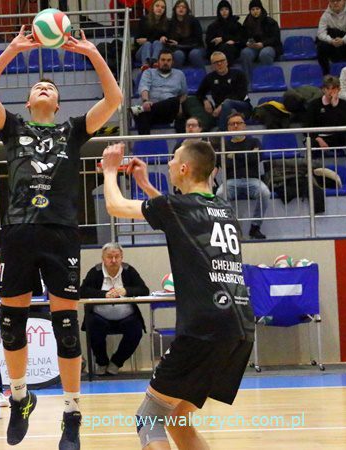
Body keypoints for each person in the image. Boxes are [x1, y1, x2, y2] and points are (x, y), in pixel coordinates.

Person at [0, 25, 122, 449]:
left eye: (50, 88)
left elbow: (114, 99)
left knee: (66, 327)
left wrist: (92, 53)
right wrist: (12, 49)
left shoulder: (73, 130)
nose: (43, 88)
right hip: (20, 231)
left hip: (60, 232)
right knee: (10, 325)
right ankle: (20, 397)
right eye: (37, 87)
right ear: (28, 102)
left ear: (57, 103)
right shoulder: (12, 127)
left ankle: (72, 413)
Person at [100, 140, 254, 450]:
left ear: (183, 168)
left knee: (149, 417)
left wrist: (110, 170)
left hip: (205, 327)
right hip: (239, 329)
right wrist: (145, 185)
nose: (169, 163)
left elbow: (115, 206)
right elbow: (175, 217)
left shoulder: (178, 207)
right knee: (177, 418)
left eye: (173, 159)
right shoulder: (225, 210)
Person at [80, 243, 149, 376]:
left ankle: (116, 362)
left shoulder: (129, 271)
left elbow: (144, 290)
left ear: (122, 257)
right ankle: (102, 362)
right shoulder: (95, 271)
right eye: (109, 257)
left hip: (127, 316)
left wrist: (126, 291)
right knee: (93, 327)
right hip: (100, 317)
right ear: (103, 258)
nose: (113, 260)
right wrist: (104, 294)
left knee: (136, 331)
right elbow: (82, 291)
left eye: (117, 257)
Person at [216, 112, 270, 240]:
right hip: (231, 181)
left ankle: (255, 227)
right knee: (220, 194)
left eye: (238, 123)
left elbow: (257, 158)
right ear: (228, 127)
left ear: (244, 125)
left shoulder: (254, 141)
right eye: (232, 124)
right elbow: (225, 164)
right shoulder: (224, 144)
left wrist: (234, 156)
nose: (235, 126)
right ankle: (233, 228)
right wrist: (247, 155)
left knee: (265, 193)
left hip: (252, 180)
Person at [131, 50, 187, 135]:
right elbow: (144, 87)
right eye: (163, 60)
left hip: (167, 112)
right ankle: (145, 142)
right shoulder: (149, 72)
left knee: (175, 101)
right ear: (158, 61)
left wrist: (179, 103)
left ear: (172, 62)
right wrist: (145, 101)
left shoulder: (179, 74)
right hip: (149, 109)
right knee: (139, 112)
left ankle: (144, 140)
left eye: (168, 60)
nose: (165, 63)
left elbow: (184, 94)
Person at [305, 76, 346, 167]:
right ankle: (313, 168)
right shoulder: (314, 104)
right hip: (320, 137)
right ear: (323, 89)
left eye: (334, 88)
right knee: (310, 142)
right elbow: (307, 126)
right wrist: (318, 139)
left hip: (337, 137)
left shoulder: (344, 105)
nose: (330, 91)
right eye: (327, 88)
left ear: (339, 89)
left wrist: (335, 106)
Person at [196, 52, 251, 131]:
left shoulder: (238, 74)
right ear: (212, 66)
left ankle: (221, 132)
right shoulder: (210, 78)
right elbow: (199, 93)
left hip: (242, 106)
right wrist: (205, 100)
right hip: (221, 109)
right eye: (216, 62)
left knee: (227, 103)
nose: (219, 64)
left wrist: (222, 105)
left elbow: (241, 94)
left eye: (222, 61)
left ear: (227, 62)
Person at [239, 0, 281, 83]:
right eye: (253, 9)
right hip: (253, 47)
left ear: (261, 9)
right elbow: (242, 38)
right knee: (245, 53)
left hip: (269, 46)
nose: (255, 11)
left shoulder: (270, 22)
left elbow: (275, 38)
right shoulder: (246, 23)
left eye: (257, 9)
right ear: (250, 11)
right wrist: (247, 43)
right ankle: (247, 82)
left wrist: (263, 44)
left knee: (265, 54)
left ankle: (268, 80)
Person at [316, 0, 346, 76]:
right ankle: (326, 74)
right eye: (332, 1)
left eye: (338, 0)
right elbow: (320, 33)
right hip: (333, 47)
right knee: (321, 45)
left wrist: (343, 40)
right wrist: (331, 41)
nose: (335, 3)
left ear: (344, 1)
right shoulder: (325, 16)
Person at [166, 1, 205, 68]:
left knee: (194, 54)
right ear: (175, 9)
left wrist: (179, 44)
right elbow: (170, 40)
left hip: (196, 47)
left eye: (184, 7)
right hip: (179, 50)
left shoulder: (193, 21)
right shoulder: (171, 23)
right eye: (178, 7)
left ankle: (202, 73)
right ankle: (176, 74)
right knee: (178, 54)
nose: (181, 8)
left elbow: (198, 39)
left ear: (187, 10)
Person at [134, 0, 169, 70]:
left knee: (157, 43)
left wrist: (165, 39)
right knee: (147, 44)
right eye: (157, 6)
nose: (160, 8)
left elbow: (167, 41)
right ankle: (145, 65)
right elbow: (136, 40)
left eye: (162, 7)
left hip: (158, 52)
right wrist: (143, 41)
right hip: (143, 51)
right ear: (152, 7)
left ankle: (155, 62)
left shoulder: (167, 23)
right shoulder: (144, 20)